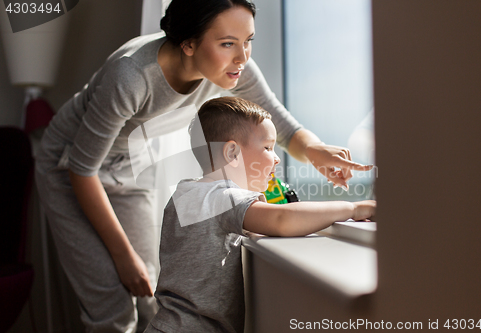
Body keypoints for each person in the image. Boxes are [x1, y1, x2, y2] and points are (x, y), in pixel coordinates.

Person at [35, 0, 373, 331]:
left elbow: (282, 128)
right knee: (112, 301)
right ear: (189, 44)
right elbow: (83, 169)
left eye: (248, 41)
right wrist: (124, 259)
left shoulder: (233, 69)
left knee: (150, 289)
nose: (242, 57)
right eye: (228, 43)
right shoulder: (131, 76)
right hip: (70, 167)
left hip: (129, 166)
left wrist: (317, 152)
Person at [144, 97, 376, 333]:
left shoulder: (184, 193)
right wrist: (354, 209)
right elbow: (282, 220)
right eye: (267, 147)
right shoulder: (221, 198)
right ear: (232, 152)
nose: (276, 157)